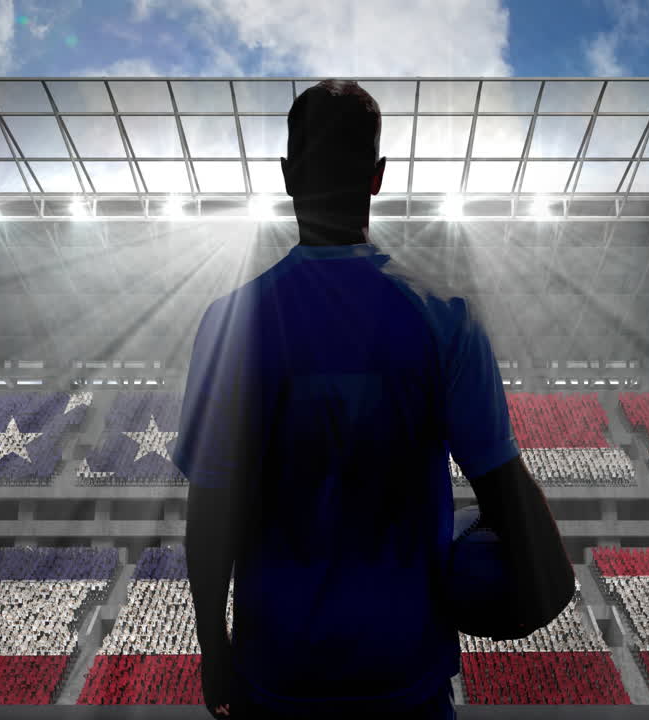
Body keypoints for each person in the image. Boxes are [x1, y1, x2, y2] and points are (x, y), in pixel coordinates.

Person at [175, 79, 573, 720]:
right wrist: (539, 584)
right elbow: (505, 493)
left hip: (277, 674)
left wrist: (212, 646)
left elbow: (212, 514)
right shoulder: (446, 317)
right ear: (378, 176)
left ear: (287, 176)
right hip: (406, 676)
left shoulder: (231, 321)